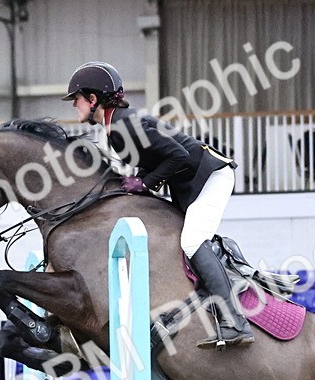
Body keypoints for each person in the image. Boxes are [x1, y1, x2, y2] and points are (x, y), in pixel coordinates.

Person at [62, 61, 253, 349]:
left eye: (76, 99)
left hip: (211, 175)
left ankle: (234, 322)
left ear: (92, 99)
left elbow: (178, 155)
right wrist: (136, 181)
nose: (73, 105)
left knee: (192, 242)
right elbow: (156, 159)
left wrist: (145, 183)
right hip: (193, 181)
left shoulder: (123, 125)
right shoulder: (116, 125)